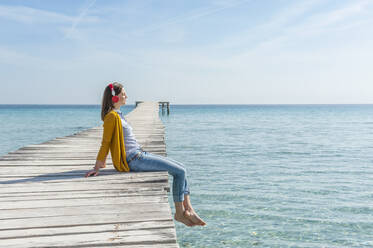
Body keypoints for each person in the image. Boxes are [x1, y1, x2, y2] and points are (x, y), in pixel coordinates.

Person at [85, 82, 206, 227]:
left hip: (139, 154)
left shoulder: (118, 114)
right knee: (180, 172)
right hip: (133, 159)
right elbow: (105, 143)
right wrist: (97, 167)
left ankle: (189, 209)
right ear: (114, 98)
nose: (126, 96)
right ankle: (179, 213)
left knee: (181, 167)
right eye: (123, 94)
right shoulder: (111, 117)